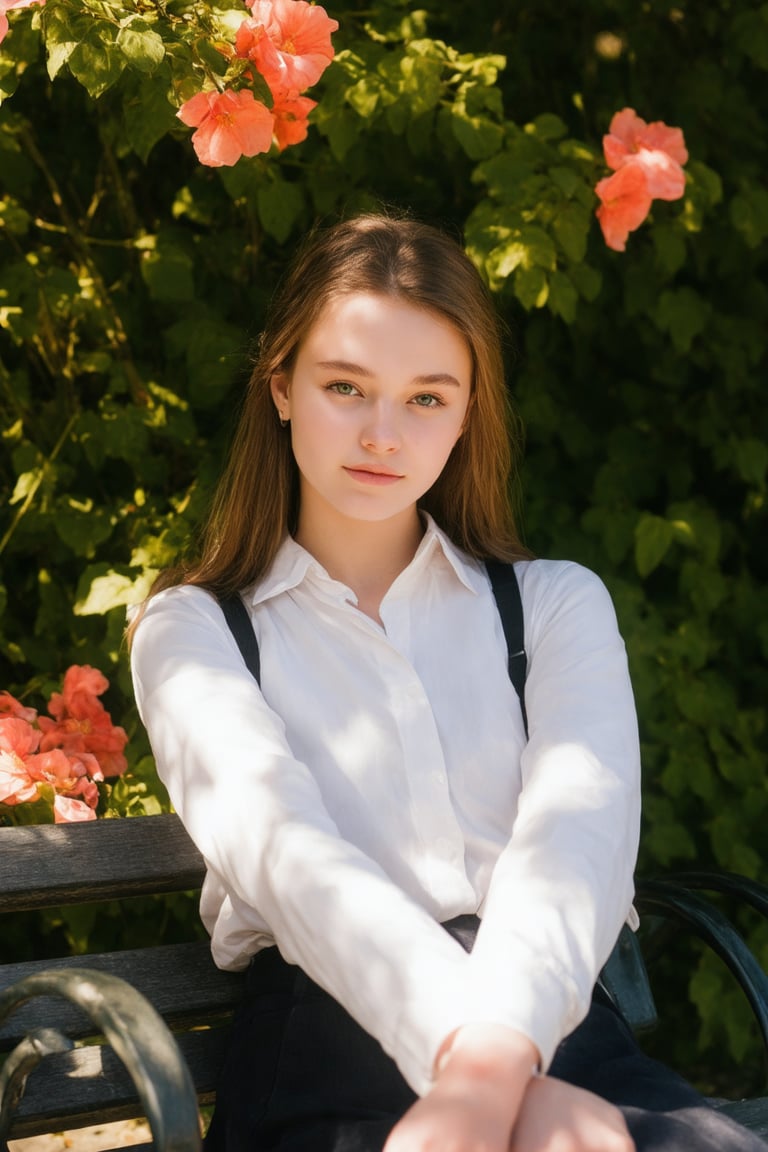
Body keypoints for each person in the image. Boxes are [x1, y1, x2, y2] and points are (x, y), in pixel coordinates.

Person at [129, 213, 766, 1152]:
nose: (382, 434)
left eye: (428, 399)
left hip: (555, 1028)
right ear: (281, 387)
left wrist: (494, 1072)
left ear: (469, 413)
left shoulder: (553, 607)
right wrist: (484, 1083)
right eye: (345, 386)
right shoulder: (194, 627)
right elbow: (287, 855)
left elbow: (577, 849)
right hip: (323, 1046)